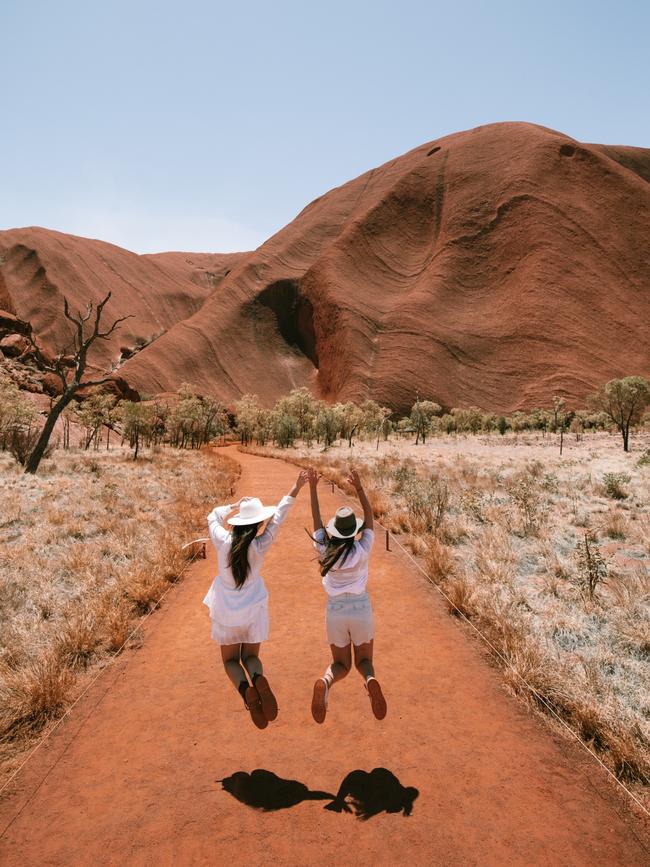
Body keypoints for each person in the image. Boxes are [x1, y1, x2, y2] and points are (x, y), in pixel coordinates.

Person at [203, 471, 308, 729]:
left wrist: (234, 506)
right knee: (250, 656)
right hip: (253, 610)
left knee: (230, 661)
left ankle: (245, 691)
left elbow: (212, 516)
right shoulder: (260, 544)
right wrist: (296, 487)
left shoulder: (222, 540)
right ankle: (258, 676)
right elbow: (279, 517)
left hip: (226, 611)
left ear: (238, 522)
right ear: (258, 524)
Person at [307, 467, 387, 723]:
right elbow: (371, 519)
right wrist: (360, 488)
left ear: (335, 531)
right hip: (361, 609)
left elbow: (316, 520)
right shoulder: (362, 548)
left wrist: (311, 487)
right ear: (354, 532)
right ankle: (370, 680)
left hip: (335, 612)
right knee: (364, 661)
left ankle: (325, 682)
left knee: (341, 665)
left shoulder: (324, 551)